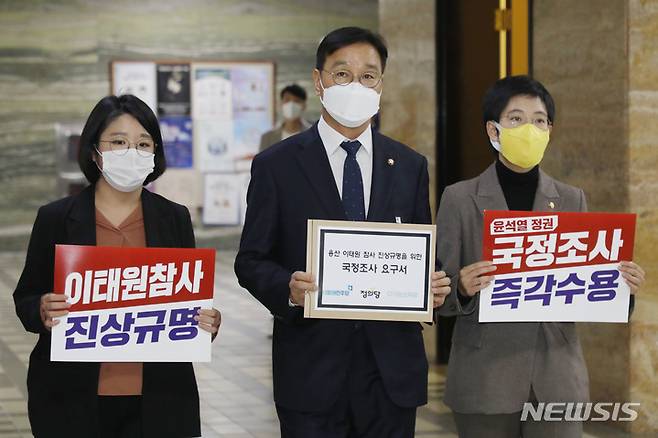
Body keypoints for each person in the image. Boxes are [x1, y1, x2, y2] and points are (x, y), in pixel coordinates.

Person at [235, 27, 451, 438]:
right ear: (319, 81)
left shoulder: (408, 166)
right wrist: (287, 287)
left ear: (381, 85)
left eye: (368, 76)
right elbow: (251, 260)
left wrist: (433, 287)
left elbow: (423, 255)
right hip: (311, 372)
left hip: (390, 375)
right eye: (342, 74)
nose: (357, 85)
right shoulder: (277, 165)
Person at [436, 75, 646, 438]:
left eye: (539, 120)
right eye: (516, 119)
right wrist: (462, 287)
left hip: (556, 377)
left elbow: (588, 289)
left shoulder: (571, 199)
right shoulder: (460, 198)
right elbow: (436, 292)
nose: (529, 129)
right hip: (484, 376)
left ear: (550, 129)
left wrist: (621, 286)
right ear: (494, 129)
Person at [13, 94, 222, 438]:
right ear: (94, 150)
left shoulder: (173, 218)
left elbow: (190, 302)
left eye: (143, 143)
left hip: (159, 398)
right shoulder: (55, 218)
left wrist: (208, 321)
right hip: (71, 397)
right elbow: (26, 298)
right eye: (119, 142)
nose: (132, 152)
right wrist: (41, 308)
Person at [259, 84, 312, 151]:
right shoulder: (267, 138)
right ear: (280, 104)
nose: (291, 104)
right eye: (287, 100)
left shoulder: (314, 135)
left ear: (304, 105)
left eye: (297, 101)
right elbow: (262, 161)